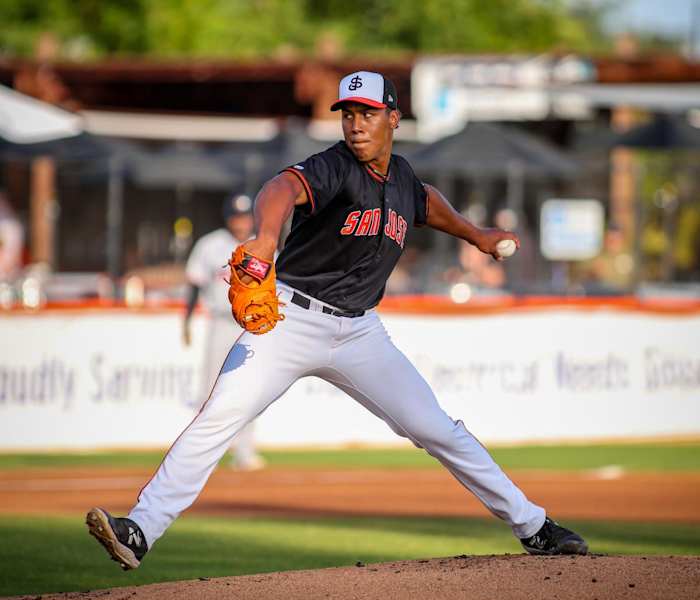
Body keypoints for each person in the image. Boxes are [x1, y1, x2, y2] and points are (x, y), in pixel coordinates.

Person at [86, 71, 588, 570]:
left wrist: (475, 233)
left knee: (439, 430)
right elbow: (281, 186)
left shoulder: (404, 179)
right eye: (348, 114)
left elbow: (426, 201)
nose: (356, 124)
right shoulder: (334, 168)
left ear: (393, 117)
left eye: (367, 113)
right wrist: (265, 236)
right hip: (289, 319)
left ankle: (534, 526)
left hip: (361, 333)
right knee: (219, 418)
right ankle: (142, 528)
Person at [182, 193, 266, 471]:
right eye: (236, 216)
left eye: (245, 216)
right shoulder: (210, 245)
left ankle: (245, 452)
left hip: (252, 326)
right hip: (220, 321)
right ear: (228, 217)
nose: (240, 222)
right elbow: (194, 284)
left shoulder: (264, 244)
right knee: (211, 390)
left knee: (250, 390)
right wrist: (187, 320)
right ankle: (199, 454)